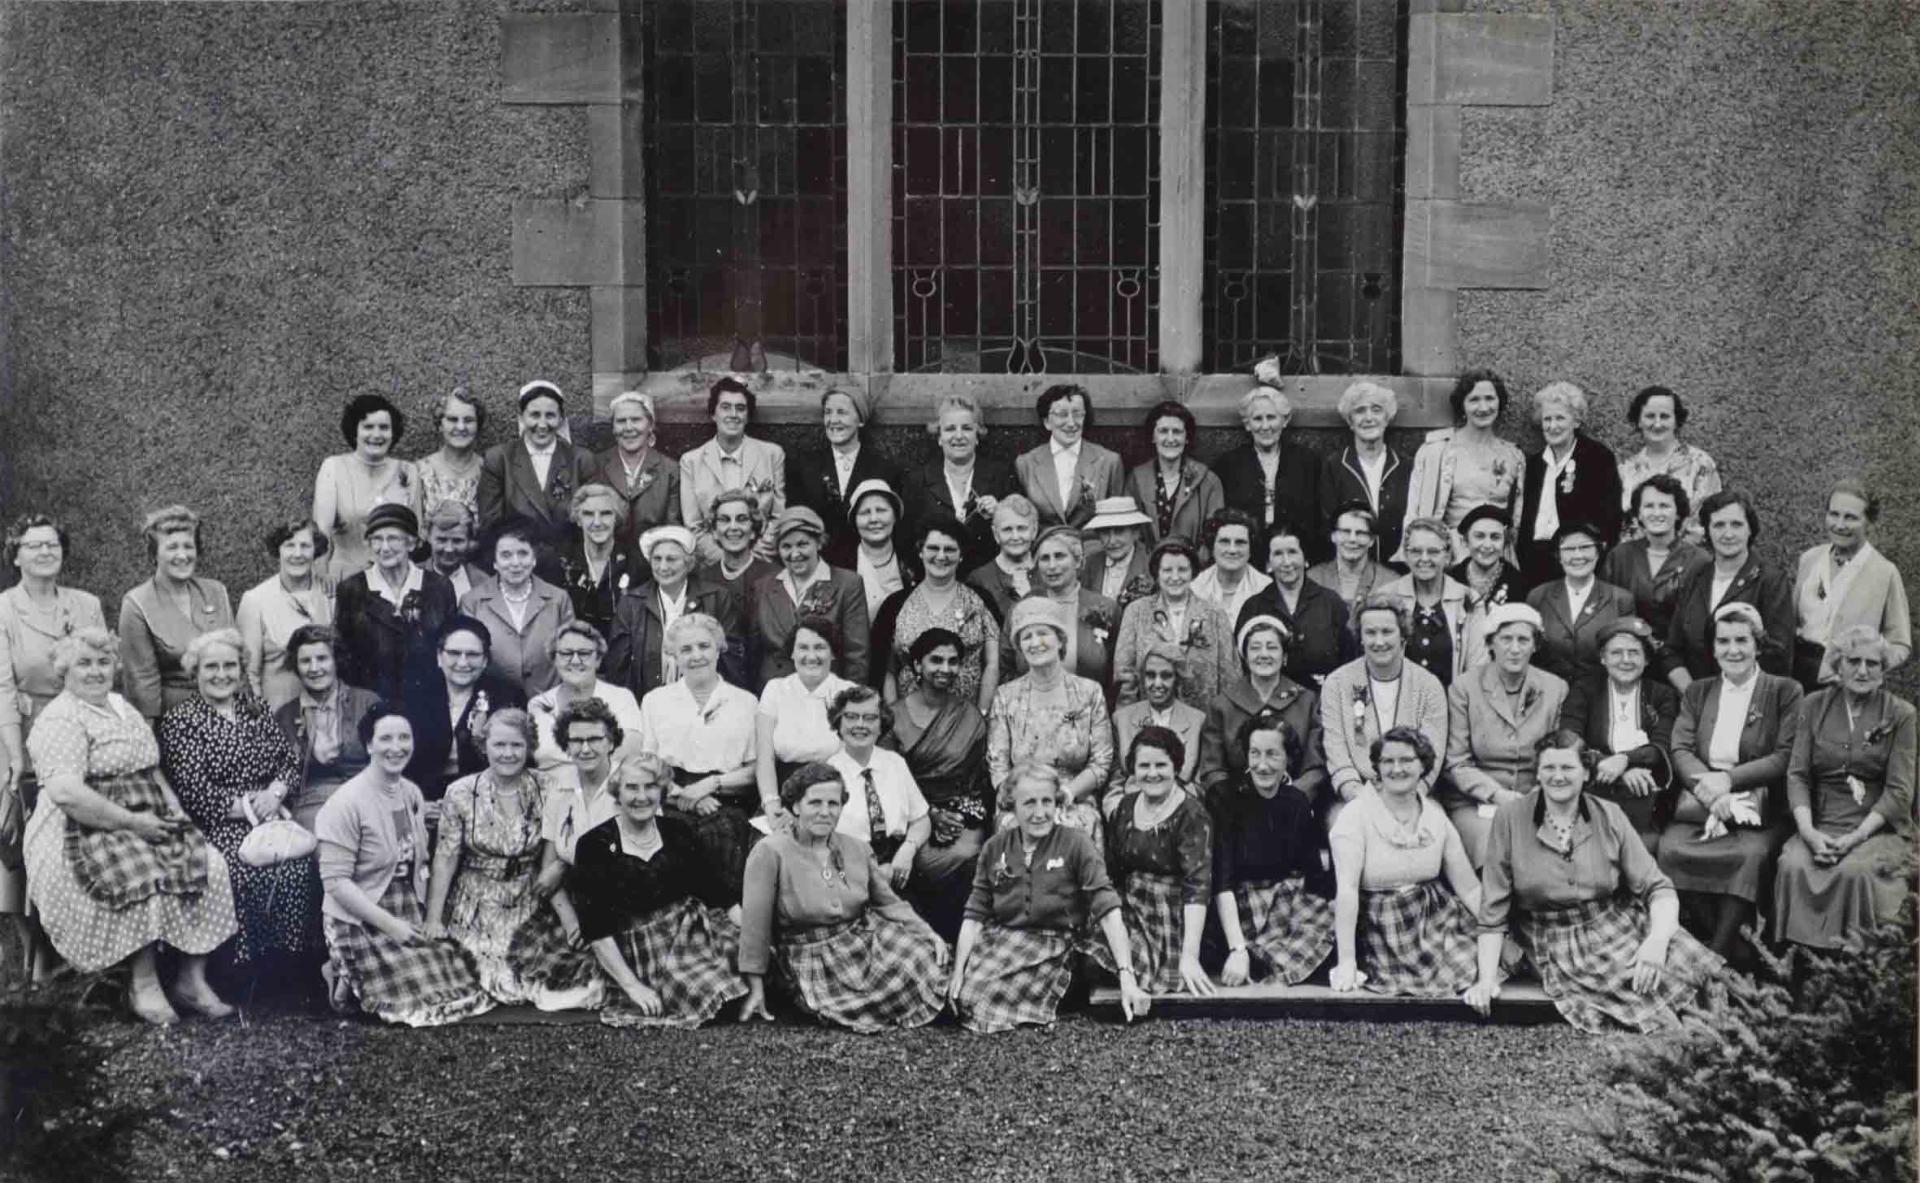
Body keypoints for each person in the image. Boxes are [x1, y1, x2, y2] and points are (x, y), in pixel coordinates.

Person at [24, 628, 238, 1024]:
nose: (95, 671)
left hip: (146, 813)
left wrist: (175, 808)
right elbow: (67, 793)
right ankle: (143, 983)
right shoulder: (60, 718)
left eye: (103, 662)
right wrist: (134, 824)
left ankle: (191, 981)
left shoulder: (121, 706)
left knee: (211, 863)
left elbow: (150, 767)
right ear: (64, 670)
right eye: (84, 663)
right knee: (141, 870)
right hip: (84, 825)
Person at [1466, 730, 1722, 1034]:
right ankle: (1673, 1050)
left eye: (1567, 767)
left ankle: (1720, 1050)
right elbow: (1493, 912)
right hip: (1557, 939)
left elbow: (1657, 887)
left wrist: (1657, 940)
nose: (1557, 777)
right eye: (1549, 768)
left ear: (1586, 772)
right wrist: (1486, 980)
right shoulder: (1510, 818)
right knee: (1640, 992)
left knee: (1698, 972)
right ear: (1538, 773)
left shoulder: (1609, 814)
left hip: (1616, 921)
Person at [314, 702, 494, 1026]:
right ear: (369, 745)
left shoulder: (410, 792)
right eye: (385, 739)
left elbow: (415, 858)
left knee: (459, 981)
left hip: (406, 902)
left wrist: (427, 915)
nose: (396, 747)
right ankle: (340, 967)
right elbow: (336, 883)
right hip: (361, 911)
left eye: (404, 738)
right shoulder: (344, 803)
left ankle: (347, 973)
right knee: (413, 999)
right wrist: (391, 926)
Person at [736, 763, 947, 1032]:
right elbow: (755, 926)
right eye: (815, 803)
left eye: (833, 804)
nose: (825, 812)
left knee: (923, 958)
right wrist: (756, 987)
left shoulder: (857, 847)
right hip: (812, 958)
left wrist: (927, 933)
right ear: (796, 806)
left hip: (864, 940)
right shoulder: (770, 851)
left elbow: (888, 903)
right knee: (855, 1002)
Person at [158, 629, 319, 976]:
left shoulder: (256, 709)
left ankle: (290, 965)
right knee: (242, 866)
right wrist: (251, 809)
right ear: (195, 672)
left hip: (271, 813)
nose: (221, 674)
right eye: (211, 667)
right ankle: (245, 970)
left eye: (230, 665)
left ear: (242, 669)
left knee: (299, 862)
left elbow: (288, 763)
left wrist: (275, 793)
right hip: (217, 824)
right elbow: (194, 793)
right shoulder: (180, 721)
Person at [947, 762, 1148, 1031]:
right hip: (1008, 938)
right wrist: (958, 971)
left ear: (1057, 803)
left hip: (1058, 942)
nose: (1040, 813)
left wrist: (1126, 975)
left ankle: (1063, 993)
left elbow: (1107, 908)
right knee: (962, 994)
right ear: (1012, 806)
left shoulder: (1076, 843)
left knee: (978, 999)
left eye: (1047, 802)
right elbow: (975, 915)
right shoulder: (995, 848)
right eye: (1029, 803)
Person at [1659, 603, 1803, 965]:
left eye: (1742, 640)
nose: (1733, 650)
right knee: (1670, 851)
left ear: (1758, 645)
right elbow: (1680, 748)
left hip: (1761, 807)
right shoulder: (1698, 692)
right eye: (1723, 641)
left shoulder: (1785, 691)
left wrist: (1728, 780)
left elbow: (1785, 755)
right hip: (1701, 802)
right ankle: (1735, 950)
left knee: (1749, 856)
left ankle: (1717, 958)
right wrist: (1710, 793)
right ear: (1713, 648)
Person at [567, 753, 747, 1028]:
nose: (641, 797)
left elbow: (717, 891)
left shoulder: (678, 831)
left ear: (662, 791)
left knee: (753, 961)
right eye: (632, 787)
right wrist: (633, 987)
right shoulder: (594, 844)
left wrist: (751, 937)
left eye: (650, 786)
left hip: (690, 933)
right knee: (707, 990)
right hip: (640, 948)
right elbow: (596, 929)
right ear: (617, 793)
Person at [1774, 626, 1914, 950]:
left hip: (1877, 828)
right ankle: (1794, 965)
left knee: (1854, 871)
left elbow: (1899, 791)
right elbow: (1797, 775)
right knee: (1792, 865)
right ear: (1839, 665)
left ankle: (1852, 968)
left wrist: (1856, 837)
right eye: (1853, 661)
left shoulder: (1901, 714)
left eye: (1872, 663)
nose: (1862, 670)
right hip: (1821, 823)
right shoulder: (1813, 705)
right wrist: (1808, 832)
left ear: (1883, 669)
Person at [0, 515, 107, 928]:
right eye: (34, 545)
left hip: (79, 732)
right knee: (24, 840)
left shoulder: (85, 605)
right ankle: (32, 948)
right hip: (20, 731)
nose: (45, 552)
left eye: (52, 544)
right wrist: (15, 757)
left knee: (76, 834)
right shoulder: (4, 609)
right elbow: (3, 688)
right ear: (16, 557)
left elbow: (102, 672)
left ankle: (76, 935)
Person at [1328, 727, 1480, 997]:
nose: (1397, 769)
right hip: (1381, 923)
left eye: (1407, 760)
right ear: (1377, 767)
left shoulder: (1435, 816)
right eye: (1388, 761)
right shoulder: (1355, 816)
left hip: (1435, 917)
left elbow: (1468, 887)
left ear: (1423, 765)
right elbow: (1347, 890)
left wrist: (1496, 930)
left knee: (1481, 958)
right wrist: (1347, 962)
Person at [424, 708, 561, 1004]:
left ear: (529, 747)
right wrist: (433, 919)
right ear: (484, 746)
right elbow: (445, 858)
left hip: (527, 896)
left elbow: (553, 851)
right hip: (476, 899)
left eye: (517, 745)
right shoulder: (460, 792)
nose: (508, 753)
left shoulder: (547, 787)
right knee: (478, 977)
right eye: (499, 744)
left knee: (545, 975)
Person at [502, 698, 629, 1012]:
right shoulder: (559, 789)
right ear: (566, 746)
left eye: (595, 739)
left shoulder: (630, 785)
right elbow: (547, 872)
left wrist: (567, 863)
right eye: (576, 741)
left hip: (622, 902)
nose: (585, 749)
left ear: (611, 742)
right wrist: (571, 922)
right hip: (574, 903)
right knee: (550, 981)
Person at [1206, 714, 1336, 986]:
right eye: (1255, 753)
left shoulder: (1297, 801)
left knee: (1335, 928)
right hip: (1238, 910)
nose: (1262, 765)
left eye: (1272, 754)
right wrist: (1237, 949)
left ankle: (1270, 961)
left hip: (1286, 906)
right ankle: (1256, 958)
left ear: (1288, 758)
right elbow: (1222, 880)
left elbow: (1314, 875)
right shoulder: (1224, 797)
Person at [883, 628, 992, 939]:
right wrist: (929, 814)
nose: (945, 668)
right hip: (908, 818)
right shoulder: (894, 716)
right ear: (917, 665)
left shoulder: (969, 716)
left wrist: (956, 816)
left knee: (968, 857)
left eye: (953, 661)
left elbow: (978, 781)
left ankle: (958, 942)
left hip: (959, 815)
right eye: (936, 660)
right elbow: (888, 783)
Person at [1442, 603, 1570, 866]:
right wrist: (1497, 795)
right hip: (1476, 802)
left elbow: (1559, 755)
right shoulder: (1465, 688)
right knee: (1494, 842)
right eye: (1506, 639)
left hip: (1539, 798)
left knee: (1556, 845)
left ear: (1535, 646)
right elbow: (1456, 762)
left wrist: (1538, 796)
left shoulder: (1555, 688)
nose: (1514, 648)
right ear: (1491, 643)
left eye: (1523, 640)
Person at [638, 613, 761, 885]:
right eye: (686, 649)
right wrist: (685, 795)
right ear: (674, 656)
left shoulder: (746, 702)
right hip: (670, 799)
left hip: (727, 802)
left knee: (722, 837)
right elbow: (648, 766)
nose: (696, 656)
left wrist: (711, 785)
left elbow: (755, 771)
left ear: (719, 649)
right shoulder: (655, 701)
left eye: (704, 646)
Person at [1099, 727, 1214, 995]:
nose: (1152, 773)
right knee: (1094, 959)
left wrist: (1190, 955)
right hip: (1131, 907)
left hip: (1171, 916)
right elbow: (1113, 871)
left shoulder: (1192, 814)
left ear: (1176, 766)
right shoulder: (1126, 806)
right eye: (1144, 766)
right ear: (1133, 769)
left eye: (1161, 765)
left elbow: (1198, 886)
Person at [986, 599, 1114, 837]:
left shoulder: (1089, 692)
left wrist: (1067, 793)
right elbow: (998, 765)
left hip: (1073, 799)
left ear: (1060, 640)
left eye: (1043, 633)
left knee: (1075, 827)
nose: (1035, 643)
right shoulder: (1005, 696)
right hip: (1020, 801)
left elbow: (1101, 761)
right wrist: (1024, 799)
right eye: (1027, 637)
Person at [1557, 617, 1678, 850]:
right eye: (1616, 653)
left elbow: (1661, 746)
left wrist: (1625, 760)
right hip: (1593, 793)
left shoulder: (1662, 695)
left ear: (1646, 659)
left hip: (1644, 799)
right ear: (1603, 658)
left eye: (1634, 653)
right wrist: (1608, 765)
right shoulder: (1585, 689)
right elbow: (1568, 739)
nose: (1625, 660)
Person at [1319, 595, 1450, 807]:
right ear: (1360, 637)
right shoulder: (1336, 683)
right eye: (1370, 633)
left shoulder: (1428, 686)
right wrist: (1359, 797)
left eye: (1387, 632)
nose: (1379, 642)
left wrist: (1406, 799)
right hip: (1356, 796)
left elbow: (1431, 755)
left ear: (1402, 635)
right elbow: (1336, 752)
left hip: (1413, 793)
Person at [1663, 490, 1795, 689]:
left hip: (1750, 697)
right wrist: (1692, 694)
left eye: (1736, 524)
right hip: (1694, 695)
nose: (1728, 534)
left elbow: (1779, 656)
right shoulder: (1695, 578)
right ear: (1707, 531)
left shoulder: (1770, 581)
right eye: (1719, 525)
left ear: (1750, 529)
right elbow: (1671, 651)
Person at [119, 506, 237, 720]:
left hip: (224, 709)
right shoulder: (137, 603)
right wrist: (150, 732)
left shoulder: (215, 591)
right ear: (154, 553)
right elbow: (142, 683)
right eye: (172, 547)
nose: (182, 555)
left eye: (188, 547)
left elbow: (235, 658)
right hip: (173, 717)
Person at [332, 503, 458, 702]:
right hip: (371, 702)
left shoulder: (439, 587)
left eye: (393, 539)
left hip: (428, 701)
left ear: (411, 543)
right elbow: (343, 656)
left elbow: (450, 647)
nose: (384, 548)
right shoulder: (351, 590)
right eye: (377, 539)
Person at [607, 523, 747, 702]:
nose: (663, 567)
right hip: (649, 702)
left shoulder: (716, 598)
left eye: (671, 559)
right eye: (657, 559)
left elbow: (732, 660)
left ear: (689, 563)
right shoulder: (632, 603)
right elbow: (619, 666)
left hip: (706, 699)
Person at [1794, 478, 1911, 690]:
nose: (1839, 525)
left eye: (1850, 517)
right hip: (1797, 677)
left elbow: (1900, 644)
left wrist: (1863, 669)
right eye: (1834, 514)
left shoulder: (1884, 573)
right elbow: (1791, 624)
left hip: (1845, 687)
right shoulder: (1809, 559)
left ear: (1869, 522)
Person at [476, 380, 597, 581]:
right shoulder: (500, 459)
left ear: (561, 419)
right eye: (534, 415)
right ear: (521, 417)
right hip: (517, 566)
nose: (542, 424)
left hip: (569, 568)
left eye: (550, 415)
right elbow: (490, 522)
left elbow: (590, 522)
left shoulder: (580, 460)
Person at [875, 515, 1000, 707]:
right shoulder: (895, 604)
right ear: (921, 552)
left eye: (949, 549)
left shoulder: (980, 601)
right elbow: (887, 669)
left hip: (967, 718)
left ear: (961, 555)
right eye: (933, 548)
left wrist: (982, 714)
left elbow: (993, 663)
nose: (941, 556)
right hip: (908, 718)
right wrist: (894, 716)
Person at [1198, 616, 1327, 804]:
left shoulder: (1307, 701)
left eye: (1272, 647)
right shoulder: (1222, 705)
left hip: (1295, 804)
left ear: (1284, 656)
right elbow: (1212, 769)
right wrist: (1236, 801)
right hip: (1238, 806)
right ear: (1245, 656)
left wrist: (1291, 799)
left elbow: (1315, 767)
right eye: (1255, 648)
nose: (1264, 654)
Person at [401, 615, 527, 805]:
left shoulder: (507, 697)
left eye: (472, 654)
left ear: (485, 660)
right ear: (439, 657)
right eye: (454, 653)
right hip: (424, 800)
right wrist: (418, 805)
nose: (463, 663)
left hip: (486, 800)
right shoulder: (415, 696)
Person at [1401, 369, 1526, 561]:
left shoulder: (1513, 456)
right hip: (1454, 554)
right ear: (1462, 405)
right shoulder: (1437, 451)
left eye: (1490, 399)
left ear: (1500, 402)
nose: (1483, 407)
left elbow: (1516, 516)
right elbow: (1416, 513)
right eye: (1474, 400)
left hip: (1497, 553)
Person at [1514, 382, 1624, 588]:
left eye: (1560, 418)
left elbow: (1609, 517)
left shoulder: (1597, 457)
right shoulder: (1534, 464)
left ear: (1576, 421)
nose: (1552, 426)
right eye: (1547, 419)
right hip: (1533, 562)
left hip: (1577, 560)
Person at [272, 625, 382, 829]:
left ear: (336, 660)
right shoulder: (285, 716)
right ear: (296, 666)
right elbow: (279, 778)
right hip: (311, 810)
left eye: (322, 658)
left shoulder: (367, 703)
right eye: (305, 661)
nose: (314, 668)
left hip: (365, 803)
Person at [751, 506, 871, 687]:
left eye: (802, 544)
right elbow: (755, 652)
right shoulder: (763, 587)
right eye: (786, 546)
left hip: (827, 692)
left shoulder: (847, 584)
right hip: (776, 692)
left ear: (819, 543)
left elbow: (857, 654)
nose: (794, 554)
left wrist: (849, 698)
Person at [1113, 540, 1240, 710]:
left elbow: (1230, 677)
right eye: (1167, 570)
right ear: (1157, 573)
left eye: (1182, 570)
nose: (1175, 577)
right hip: (1149, 717)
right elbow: (1125, 674)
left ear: (1192, 572)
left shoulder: (1215, 615)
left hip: (1203, 717)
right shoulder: (1136, 612)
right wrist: (1127, 718)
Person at [899, 393, 1019, 572]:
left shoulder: (1001, 476)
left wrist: (999, 514)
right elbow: (906, 539)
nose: (959, 435)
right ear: (939, 437)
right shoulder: (918, 480)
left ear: (977, 435)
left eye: (967, 428)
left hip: (988, 579)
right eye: (950, 429)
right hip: (934, 577)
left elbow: (1019, 530)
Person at [826, 686, 931, 890]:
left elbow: (921, 819)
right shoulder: (828, 773)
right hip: (850, 875)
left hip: (899, 869)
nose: (860, 725)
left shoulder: (895, 763)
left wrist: (908, 849)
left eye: (870, 718)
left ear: (881, 725)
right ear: (838, 723)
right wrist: (873, 872)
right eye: (851, 717)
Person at [313, 394, 421, 582]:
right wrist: (321, 579)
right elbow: (321, 534)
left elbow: (415, 533)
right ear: (355, 431)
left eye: (384, 428)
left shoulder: (408, 471)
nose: (377, 435)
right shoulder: (334, 467)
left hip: (396, 579)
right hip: (345, 579)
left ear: (393, 432)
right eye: (368, 427)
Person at [460, 519, 575, 696]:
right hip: (494, 702)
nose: (515, 563)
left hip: (550, 702)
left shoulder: (558, 599)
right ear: (495, 561)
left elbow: (570, 654)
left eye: (523, 553)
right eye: (506, 555)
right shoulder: (472, 602)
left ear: (534, 558)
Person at [753, 616, 855, 814]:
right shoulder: (775, 689)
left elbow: (853, 762)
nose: (811, 656)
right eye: (803, 648)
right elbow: (765, 758)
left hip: (833, 797)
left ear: (833, 653)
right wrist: (772, 804)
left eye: (820, 647)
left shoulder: (848, 692)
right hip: (784, 795)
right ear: (792, 653)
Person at [680, 377, 786, 565]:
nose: (733, 414)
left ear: (748, 416)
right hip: (711, 563)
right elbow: (693, 525)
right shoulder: (691, 461)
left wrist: (754, 556)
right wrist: (725, 560)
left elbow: (778, 517)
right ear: (713, 414)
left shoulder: (772, 454)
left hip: (761, 560)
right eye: (725, 407)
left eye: (740, 408)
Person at [1234, 520, 1353, 688]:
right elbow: (1241, 666)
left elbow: (1349, 662)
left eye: (1292, 552)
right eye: (1278, 554)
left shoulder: (1330, 603)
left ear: (1305, 558)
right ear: (1268, 563)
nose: (1286, 562)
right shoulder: (1254, 607)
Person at [236, 514, 335, 710]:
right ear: (278, 550)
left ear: (316, 550)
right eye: (289, 545)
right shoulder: (256, 600)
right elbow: (249, 674)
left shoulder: (330, 594)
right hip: (277, 712)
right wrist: (260, 719)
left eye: (305, 546)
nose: (297, 554)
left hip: (328, 712)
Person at [1212, 385, 1324, 555]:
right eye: (1257, 419)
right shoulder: (1229, 464)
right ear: (1247, 424)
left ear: (1285, 421)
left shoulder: (1307, 462)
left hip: (1293, 555)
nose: (1265, 426)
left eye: (1271, 417)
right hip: (1246, 554)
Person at [1600, 474, 1710, 644]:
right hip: (1628, 651)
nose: (1656, 513)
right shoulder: (1620, 556)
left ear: (1678, 513)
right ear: (1639, 514)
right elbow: (1606, 610)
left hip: (1681, 653)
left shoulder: (1699, 560)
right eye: (1649, 506)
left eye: (1664, 506)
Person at [525, 621, 644, 779]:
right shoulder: (538, 704)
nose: (575, 660)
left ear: (598, 660)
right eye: (566, 653)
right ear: (554, 660)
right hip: (550, 790)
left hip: (608, 788)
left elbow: (629, 754)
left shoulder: (621, 698)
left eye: (584, 653)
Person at [1002, 524, 1114, 689]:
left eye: (1060, 556)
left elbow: (1115, 672)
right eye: (1045, 558)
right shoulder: (1023, 608)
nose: (1052, 566)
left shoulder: (1104, 607)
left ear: (1078, 561)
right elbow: (1005, 666)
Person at [1524, 521, 1637, 685]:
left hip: (1601, 691)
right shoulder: (1538, 596)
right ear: (1558, 556)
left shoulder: (1620, 599)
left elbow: (1626, 655)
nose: (1578, 556)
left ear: (1598, 552)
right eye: (1569, 549)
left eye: (1585, 547)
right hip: (1548, 691)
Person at [786, 386, 901, 537]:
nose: (833, 420)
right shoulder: (804, 466)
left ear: (860, 420)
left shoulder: (884, 469)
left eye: (841, 412)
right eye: (828, 412)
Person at [1317, 380, 1411, 565]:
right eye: (1360, 411)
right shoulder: (1334, 466)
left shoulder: (1405, 466)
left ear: (1387, 418)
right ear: (1350, 422)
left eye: (1376, 410)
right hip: (1351, 567)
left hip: (1397, 568)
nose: (1369, 418)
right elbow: (1328, 525)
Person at [1615, 386, 1721, 541]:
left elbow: (1713, 520)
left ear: (1676, 421)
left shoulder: (1700, 464)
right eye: (1650, 416)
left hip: (1687, 553)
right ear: (1639, 421)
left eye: (1664, 416)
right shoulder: (1625, 470)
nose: (1657, 424)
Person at [1014, 383, 1125, 530]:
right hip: (1045, 543)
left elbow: (1116, 521)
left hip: (1091, 543)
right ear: (1047, 422)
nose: (1071, 423)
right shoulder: (1026, 464)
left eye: (1077, 414)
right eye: (1062, 414)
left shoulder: (1109, 461)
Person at [1108, 643, 1205, 807]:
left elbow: (1199, 786)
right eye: (1150, 675)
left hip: (1180, 808)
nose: (1157, 684)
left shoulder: (1197, 721)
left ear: (1177, 679)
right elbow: (1115, 782)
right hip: (1131, 808)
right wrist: (1117, 811)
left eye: (1166, 676)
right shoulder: (1122, 719)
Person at [1379, 517, 1473, 686]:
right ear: (1406, 555)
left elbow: (1476, 668)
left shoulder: (1468, 599)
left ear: (1447, 555)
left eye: (1433, 551)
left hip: (1453, 700)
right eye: (1416, 551)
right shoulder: (1386, 597)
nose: (1424, 558)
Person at [1126, 401, 1225, 554]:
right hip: (1147, 565)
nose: (1170, 438)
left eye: (1177, 432)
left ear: (1187, 437)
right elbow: (1130, 532)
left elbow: (1214, 535)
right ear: (1153, 436)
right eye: (1163, 431)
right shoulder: (1136, 480)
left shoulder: (1209, 481)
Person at [556, 483, 647, 645]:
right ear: (578, 519)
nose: (597, 522)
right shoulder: (563, 561)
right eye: (588, 514)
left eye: (605, 514)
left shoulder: (635, 563)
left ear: (616, 518)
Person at [589, 391, 680, 549]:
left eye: (636, 420)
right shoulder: (596, 465)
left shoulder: (669, 469)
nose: (628, 428)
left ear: (650, 425)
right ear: (613, 428)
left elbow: (672, 528)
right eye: (621, 421)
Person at [837, 479, 921, 621]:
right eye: (865, 512)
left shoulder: (914, 562)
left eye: (881, 510)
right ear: (855, 520)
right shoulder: (841, 566)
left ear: (895, 516)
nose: (874, 519)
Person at [694, 488, 780, 617]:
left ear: (753, 530)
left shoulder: (774, 577)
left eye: (742, 519)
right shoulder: (703, 580)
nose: (733, 527)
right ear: (714, 532)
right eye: (724, 520)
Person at [1448, 504, 1530, 637]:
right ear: (1465, 542)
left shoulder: (1519, 584)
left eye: (1495, 537)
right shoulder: (1451, 579)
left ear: (1505, 543)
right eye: (1479, 536)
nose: (1487, 545)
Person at [966, 493, 1041, 623]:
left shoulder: (1047, 572)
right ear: (996, 534)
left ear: (1034, 531)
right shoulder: (979, 579)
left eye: (1022, 528)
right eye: (1007, 529)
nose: (1015, 537)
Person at [416, 386, 486, 522]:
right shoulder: (420, 472)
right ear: (440, 425)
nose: (461, 427)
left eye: (468, 420)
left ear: (478, 425)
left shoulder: (490, 472)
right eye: (452, 419)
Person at [1190, 509, 1272, 623]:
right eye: (1224, 542)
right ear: (1212, 547)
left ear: (1250, 549)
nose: (1232, 550)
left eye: (1240, 542)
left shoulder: (1266, 588)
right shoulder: (1196, 587)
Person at [1079, 495, 1158, 615]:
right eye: (1105, 532)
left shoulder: (1151, 566)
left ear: (1135, 533)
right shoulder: (1091, 563)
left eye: (1119, 531)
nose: (1112, 541)